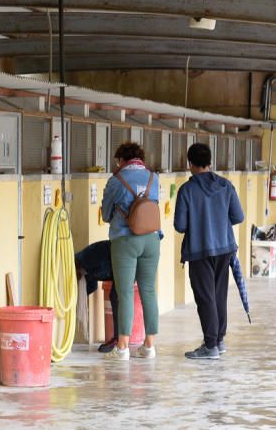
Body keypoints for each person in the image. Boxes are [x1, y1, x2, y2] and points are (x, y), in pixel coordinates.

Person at [173, 143, 245, 360]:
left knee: (205, 297)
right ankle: (219, 341)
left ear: (190, 164)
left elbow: (180, 225)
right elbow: (238, 217)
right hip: (224, 249)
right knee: (218, 294)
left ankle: (210, 345)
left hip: (199, 250)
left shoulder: (187, 190)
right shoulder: (226, 185)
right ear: (210, 162)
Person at [100, 142, 160, 361]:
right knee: (148, 290)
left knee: (125, 291)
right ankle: (149, 346)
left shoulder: (116, 181)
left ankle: (123, 347)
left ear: (122, 160)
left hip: (125, 240)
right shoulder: (154, 178)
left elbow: (106, 214)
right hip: (152, 239)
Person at [75, 240, 119, 352]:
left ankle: (119, 340)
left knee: (117, 296)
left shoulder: (89, 258)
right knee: (115, 296)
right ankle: (119, 340)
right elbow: (92, 287)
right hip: (116, 263)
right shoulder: (87, 270)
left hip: (122, 256)